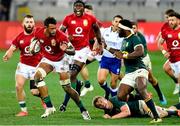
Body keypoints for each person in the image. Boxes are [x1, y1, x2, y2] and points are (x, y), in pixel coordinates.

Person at [32, 16, 91, 120]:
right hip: (48, 59)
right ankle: (50, 107)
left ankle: (83, 109)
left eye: (55, 28)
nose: (54, 30)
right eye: (51, 28)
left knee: (67, 88)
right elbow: (35, 39)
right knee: (37, 77)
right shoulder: (38, 31)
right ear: (45, 27)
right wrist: (33, 46)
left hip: (61, 61)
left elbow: (72, 51)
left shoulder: (61, 36)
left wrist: (65, 50)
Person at [106, 19, 162, 123]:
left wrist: (125, 55)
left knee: (141, 89)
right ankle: (141, 97)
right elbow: (119, 53)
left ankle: (156, 116)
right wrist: (105, 47)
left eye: (119, 29)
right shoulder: (124, 41)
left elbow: (140, 52)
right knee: (120, 96)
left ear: (125, 30)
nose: (118, 31)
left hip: (139, 69)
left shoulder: (134, 38)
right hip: (129, 73)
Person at [59, 0, 102, 112]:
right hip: (70, 50)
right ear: (73, 8)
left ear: (83, 8)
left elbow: (97, 29)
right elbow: (60, 32)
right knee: (69, 77)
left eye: (80, 6)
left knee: (72, 75)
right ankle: (78, 84)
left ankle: (65, 103)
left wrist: (100, 43)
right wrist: (67, 38)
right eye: (76, 6)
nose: (78, 8)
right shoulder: (68, 18)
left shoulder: (90, 18)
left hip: (83, 50)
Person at [2, 15, 42, 116]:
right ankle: (24, 111)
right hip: (23, 66)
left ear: (34, 24)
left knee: (34, 91)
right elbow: (12, 48)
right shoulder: (19, 37)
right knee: (18, 86)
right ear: (23, 24)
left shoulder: (39, 34)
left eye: (31, 22)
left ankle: (44, 97)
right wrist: (7, 55)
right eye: (27, 22)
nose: (29, 24)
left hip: (36, 66)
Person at [132, 22, 167, 105]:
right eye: (131, 28)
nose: (133, 30)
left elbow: (142, 53)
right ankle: (142, 100)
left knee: (151, 79)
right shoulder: (128, 37)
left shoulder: (140, 37)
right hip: (133, 61)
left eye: (134, 28)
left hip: (143, 60)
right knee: (136, 81)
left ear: (137, 28)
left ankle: (160, 94)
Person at [98, 15, 123, 100]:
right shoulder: (104, 31)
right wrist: (96, 47)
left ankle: (114, 101)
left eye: (119, 22)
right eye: (116, 21)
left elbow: (118, 51)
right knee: (101, 80)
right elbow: (98, 39)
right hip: (105, 58)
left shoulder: (122, 35)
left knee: (113, 83)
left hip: (116, 60)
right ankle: (107, 91)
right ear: (112, 22)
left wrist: (106, 47)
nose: (117, 23)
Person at [92, 96, 180, 119]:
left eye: (101, 101)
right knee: (165, 110)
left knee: (157, 116)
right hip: (140, 112)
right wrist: (107, 116)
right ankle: (176, 108)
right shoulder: (107, 111)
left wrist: (111, 118)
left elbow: (127, 112)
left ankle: (176, 113)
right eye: (99, 105)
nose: (101, 104)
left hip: (141, 105)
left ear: (105, 99)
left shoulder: (114, 99)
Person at [158, 12, 180, 101]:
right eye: (169, 20)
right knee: (166, 69)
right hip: (172, 60)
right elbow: (159, 43)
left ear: (178, 21)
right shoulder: (166, 30)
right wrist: (164, 51)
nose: (170, 22)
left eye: (172, 20)